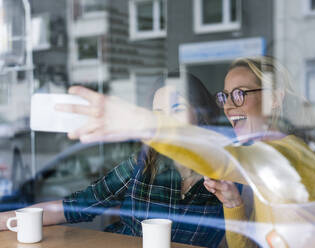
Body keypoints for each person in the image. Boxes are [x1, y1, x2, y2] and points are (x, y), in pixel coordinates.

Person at [51, 56, 315, 247]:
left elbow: (221, 158)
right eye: (226, 96)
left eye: (241, 94)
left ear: (275, 99)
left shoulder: (287, 154)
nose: (230, 106)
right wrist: (234, 203)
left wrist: (139, 122)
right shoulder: (253, 161)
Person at [0, 72, 226, 248]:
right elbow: (79, 205)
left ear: (201, 113)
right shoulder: (144, 162)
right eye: (157, 114)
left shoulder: (230, 174)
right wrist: (5, 220)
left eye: (177, 108)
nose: (164, 122)